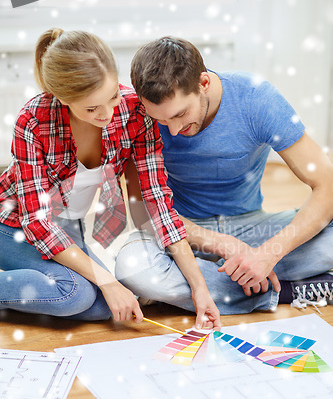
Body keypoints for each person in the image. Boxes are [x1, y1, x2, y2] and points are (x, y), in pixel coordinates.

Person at [0, 28, 221, 330]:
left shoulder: (134, 112)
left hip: (64, 225)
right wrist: (105, 280)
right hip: (13, 222)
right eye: (92, 108)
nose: (107, 114)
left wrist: (200, 288)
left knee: (105, 306)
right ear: (63, 99)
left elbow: (158, 205)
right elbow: (37, 222)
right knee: (75, 294)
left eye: (113, 96)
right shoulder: (33, 120)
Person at [114, 36, 333, 313]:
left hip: (253, 230)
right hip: (180, 235)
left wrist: (268, 253)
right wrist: (222, 245)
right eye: (160, 120)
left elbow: (327, 184)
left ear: (203, 83)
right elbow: (144, 213)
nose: (172, 130)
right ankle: (285, 290)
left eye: (181, 114)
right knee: (131, 267)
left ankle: (204, 283)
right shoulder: (137, 115)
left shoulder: (256, 98)